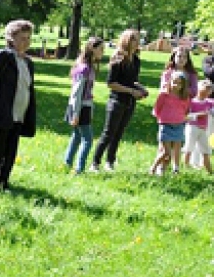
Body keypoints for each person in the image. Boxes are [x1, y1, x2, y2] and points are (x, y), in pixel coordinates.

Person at [0, 19, 37, 192]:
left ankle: (3, 181)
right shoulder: (2, 56)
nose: (26, 42)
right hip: (1, 112)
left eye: (28, 38)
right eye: (22, 38)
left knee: (10, 151)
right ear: (11, 38)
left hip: (19, 114)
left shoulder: (28, 62)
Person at [91, 29, 149, 172]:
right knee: (108, 133)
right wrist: (131, 91)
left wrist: (142, 89)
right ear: (126, 41)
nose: (137, 42)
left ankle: (110, 162)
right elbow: (111, 83)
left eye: (138, 39)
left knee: (119, 133)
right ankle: (95, 163)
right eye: (134, 39)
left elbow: (133, 81)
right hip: (117, 101)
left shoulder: (136, 60)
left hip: (130, 102)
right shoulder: (118, 58)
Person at [63, 37, 104, 174]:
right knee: (87, 139)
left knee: (77, 136)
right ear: (92, 49)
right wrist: (76, 113)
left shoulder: (90, 67)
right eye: (101, 49)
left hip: (84, 106)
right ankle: (79, 169)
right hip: (79, 107)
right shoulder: (84, 68)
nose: (103, 52)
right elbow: (77, 93)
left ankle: (67, 162)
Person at [149, 71, 191, 176]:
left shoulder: (185, 97)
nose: (176, 85)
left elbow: (186, 110)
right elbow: (157, 109)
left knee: (175, 149)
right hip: (166, 125)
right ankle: (153, 168)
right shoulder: (164, 95)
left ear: (183, 85)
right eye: (174, 82)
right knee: (166, 152)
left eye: (179, 83)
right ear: (170, 82)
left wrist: (182, 118)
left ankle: (164, 169)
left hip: (179, 125)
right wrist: (161, 119)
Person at [186, 79, 214, 172]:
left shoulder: (210, 102)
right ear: (198, 90)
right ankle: (186, 166)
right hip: (192, 127)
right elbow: (186, 116)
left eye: (208, 92)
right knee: (189, 147)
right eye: (203, 92)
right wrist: (199, 115)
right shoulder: (192, 102)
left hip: (204, 129)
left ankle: (208, 169)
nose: (206, 94)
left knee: (205, 149)